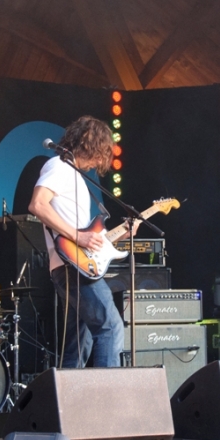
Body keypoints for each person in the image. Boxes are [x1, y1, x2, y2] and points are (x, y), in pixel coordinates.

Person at [28, 115, 136, 368]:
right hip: (73, 268)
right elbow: (37, 205)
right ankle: (106, 393)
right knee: (110, 327)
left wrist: (120, 234)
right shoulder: (59, 167)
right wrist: (79, 237)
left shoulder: (74, 175)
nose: (99, 162)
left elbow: (87, 236)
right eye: (100, 154)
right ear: (90, 144)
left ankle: (66, 394)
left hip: (74, 265)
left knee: (78, 346)